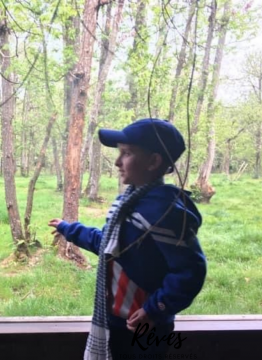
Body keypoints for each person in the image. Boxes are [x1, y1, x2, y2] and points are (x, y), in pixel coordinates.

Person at [48, 118, 206, 360]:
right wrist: (71, 230)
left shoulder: (164, 212)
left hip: (144, 323)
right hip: (115, 317)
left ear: (154, 161)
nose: (117, 162)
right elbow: (109, 245)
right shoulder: (129, 202)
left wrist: (155, 310)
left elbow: (191, 270)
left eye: (127, 153)